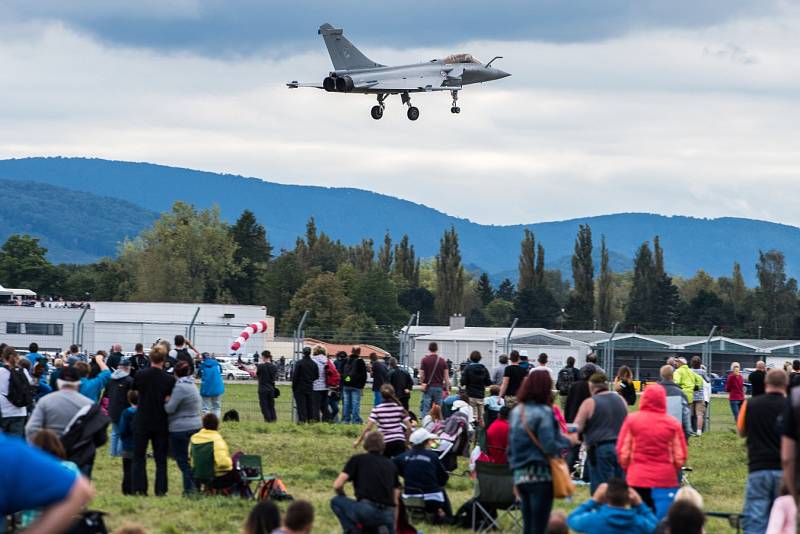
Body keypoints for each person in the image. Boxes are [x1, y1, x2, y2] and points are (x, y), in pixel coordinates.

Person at [509, 371, 577, 534]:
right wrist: (569, 441)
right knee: (539, 526)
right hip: (541, 476)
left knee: (528, 525)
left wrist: (514, 476)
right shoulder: (545, 412)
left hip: (521, 475)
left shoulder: (517, 412)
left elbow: (510, 448)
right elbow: (549, 445)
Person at [0, 432, 95, 534]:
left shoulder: (26, 466)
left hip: (29, 521)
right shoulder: (69, 467)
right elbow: (81, 490)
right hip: (61, 523)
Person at [617, 384, 687, 519]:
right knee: (661, 518)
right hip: (665, 479)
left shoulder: (632, 420)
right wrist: (674, 469)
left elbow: (623, 452)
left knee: (639, 517)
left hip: (638, 478)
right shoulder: (672, 423)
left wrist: (628, 469)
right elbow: (680, 456)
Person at [737, 369, 787, 534]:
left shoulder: (750, 404)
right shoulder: (792, 406)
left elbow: (741, 431)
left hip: (758, 467)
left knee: (756, 519)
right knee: (784, 521)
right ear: (786, 385)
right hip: (785, 470)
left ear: (766, 384)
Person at [331, 431, 400, 534]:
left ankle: (352, 530)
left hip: (366, 509)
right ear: (383, 446)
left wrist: (343, 496)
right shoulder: (391, 464)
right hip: (388, 514)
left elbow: (337, 485)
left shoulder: (358, 459)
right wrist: (393, 525)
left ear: (365, 444)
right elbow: (396, 499)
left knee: (336, 501)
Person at [131, 344, 176, 496]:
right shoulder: (169, 380)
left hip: (142, 418)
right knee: (161, 459)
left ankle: (139, 488)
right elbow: (168, 399)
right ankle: (161, 490)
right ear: (164, 360)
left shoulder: (140, 375)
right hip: (160, 420)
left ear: (150, 358)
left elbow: (135, 392)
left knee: (139, 457)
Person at [573, 373, 628, 493]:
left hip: (600, 448)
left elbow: (577, 426)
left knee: (601, 489)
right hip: (621, 447)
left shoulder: (590, 402)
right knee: (619, 488)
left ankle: (603, 509)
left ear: (591, 386)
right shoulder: (621, 400)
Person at [20, 430, 81, 528]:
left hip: (33, 525)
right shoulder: (70, 467)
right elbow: (80, 494)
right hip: (64, 524)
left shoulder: (27, 470)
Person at [394, 428, 452, 523]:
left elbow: (392, 470)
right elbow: (443, 479)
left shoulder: (401, 457)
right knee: (441, 489)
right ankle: (449, 518)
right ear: (426, 442)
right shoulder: (433, 456)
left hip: (409, 499)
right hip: (432, 501)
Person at [165, 360, 203, 495]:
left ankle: (189, 489)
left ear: (175, 373)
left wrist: (166, 400)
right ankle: (195, 485)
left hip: (180, 428)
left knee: (182, 460)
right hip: (196, 425)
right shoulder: (192, 385)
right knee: (190, 459)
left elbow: (170, 409)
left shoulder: (180, 388)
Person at [566, 478, 658, 534]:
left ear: (605, 497)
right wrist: (640, 504)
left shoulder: (593, 520)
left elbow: (571, 519)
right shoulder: (639, 523)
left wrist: (593, 501)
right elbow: (657, 528)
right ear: (629, 498)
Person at [25, 365, 92, 439]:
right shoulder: (89, 404)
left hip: (49, 445)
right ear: (79, 383)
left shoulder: (45, 401)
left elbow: (31, 428)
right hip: (77, 446)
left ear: (58, 382)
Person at [354, 384, 411, 458]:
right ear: (393, 394)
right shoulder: (399, 408)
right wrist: (407, 442)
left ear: (381, 395)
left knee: (385, 465)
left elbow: (368, 428)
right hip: (399, 441)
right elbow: (409, 427)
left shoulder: (377, 409)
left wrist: (358, 441)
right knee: (399, 465)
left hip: (385, 441)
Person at [190, 413, 241, 489]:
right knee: (239, 456)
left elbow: (189, 458)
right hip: (216, 478)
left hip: (197, 476)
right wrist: (231, 462)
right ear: (217, 426)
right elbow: (223, 464)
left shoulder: (194, 438)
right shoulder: (217, 440)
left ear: (203, 425)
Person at [0, 346, 32, 437]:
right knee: (16, 443)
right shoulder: (23, 371)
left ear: (3, 357)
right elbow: (31, 385)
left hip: (3, 411)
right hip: (20, 411)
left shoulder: (1, 372)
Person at [107, 357, 134, 457]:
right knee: (123, 434)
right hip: (124, 410)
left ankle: (112, 454)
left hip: (112, 408)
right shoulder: (129, 380)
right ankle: (118, 454)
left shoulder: (111, 379)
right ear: (127, 368)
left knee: (114, 433)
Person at [658, 365, 692, 439]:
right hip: (674, 432)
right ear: (672, 375)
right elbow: (685, 413)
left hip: (657, 431)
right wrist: (687, 432)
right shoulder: (679, 393)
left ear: (661, 375)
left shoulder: (654, 391)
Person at [460, 350, 492, 428]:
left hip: (470, 394)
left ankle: (472, 435)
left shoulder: (468, 368)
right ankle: (481, 435)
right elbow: (488, 382)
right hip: (480, 395)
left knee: (472, 416)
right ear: (480, 358)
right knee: (481, 417)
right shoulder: (484, 368)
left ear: (471, 358)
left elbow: (463, 381)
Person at [418, 342, 450, 418]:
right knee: (438, 407)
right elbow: (446, 376)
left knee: (426, 407)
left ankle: (426, 424)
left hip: (428, 387)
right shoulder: (442, 361)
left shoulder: (425, 360)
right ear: (437, 349)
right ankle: (438, 424)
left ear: (429, 349)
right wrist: (447, 388)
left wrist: (422, 383)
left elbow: (421, 374)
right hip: (439, 387)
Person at [292, 346, 319, 424]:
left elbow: (295, 376)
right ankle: (310, 421)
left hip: (299, 388)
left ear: (303, 353)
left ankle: (302, 421)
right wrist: (310, 380)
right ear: (310, 353)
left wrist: (294, 387)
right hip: (309, 387)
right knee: (309, 405)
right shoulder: (314, 364)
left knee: (301, 406)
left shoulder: (299, 363)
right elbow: (316, 376)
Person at [118, 390, 138, 495]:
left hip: (127, 445)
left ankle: (127, 489)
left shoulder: (126, 413)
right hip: (140, 444)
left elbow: (122, 429)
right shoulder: (143, 412)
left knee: (127, 470)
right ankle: (137, 488)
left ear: (128, 399)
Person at [341, 346, 367, 424]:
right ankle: (355, 420)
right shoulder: (360, 361)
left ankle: (346, 420)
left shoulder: (346, 360)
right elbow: (364, 375)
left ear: (351, 351)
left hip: (346, 385)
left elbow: (341, 372)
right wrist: (362, 386)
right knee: (355, 403)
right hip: (356, 386)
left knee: (346, 403)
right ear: (359, 352)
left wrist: (344, 381)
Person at [198, 353, 224, 418]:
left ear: (203, 358)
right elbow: (220, 372)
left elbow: (199, 375)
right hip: (217, 388)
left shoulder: (202, 366)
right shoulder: (217, 364)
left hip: (206, 388)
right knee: (216, 407)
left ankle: (206, 424)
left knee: (205, 408)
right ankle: (216, 423)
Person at [689, 357, 710, 435]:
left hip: (690, 395)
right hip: (700, 396)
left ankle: (690, 429)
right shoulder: (702, 372)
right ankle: (699, 431)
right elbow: (708, 380)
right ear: (700, 363)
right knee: (699, 414)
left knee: (690, 414)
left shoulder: (689, 371)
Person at [256, 350, 278, 422]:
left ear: (263, 357)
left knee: (264, 407)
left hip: (263, 389)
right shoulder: (274, 367)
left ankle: (268, 421)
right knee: (271, 406)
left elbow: (257, 375)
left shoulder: (260, 366)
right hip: (271, 389)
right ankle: (274, 420)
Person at [312, 345, 330, 421]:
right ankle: (326, 422)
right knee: (324, 406)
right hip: (326, 387)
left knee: (315, 407)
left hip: (315, 387)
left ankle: (316, 423)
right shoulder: (328, 361)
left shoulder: (313, 361)